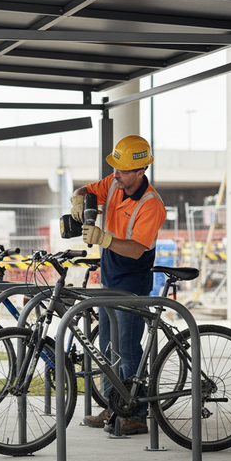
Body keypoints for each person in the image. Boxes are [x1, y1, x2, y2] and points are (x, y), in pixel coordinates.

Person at [70, 135, 166, 435]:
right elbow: (85, 189)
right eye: (116, 168)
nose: (115, 174)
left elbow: (137, 249)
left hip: (133, 282)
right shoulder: (115, 184)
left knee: (127, 346)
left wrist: (103, 238)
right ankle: (114, 406)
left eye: (123, 170)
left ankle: (136, 414)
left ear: (141, 171)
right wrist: (78, 199)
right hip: (110, 278)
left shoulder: (151, 205)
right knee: (107, 346)